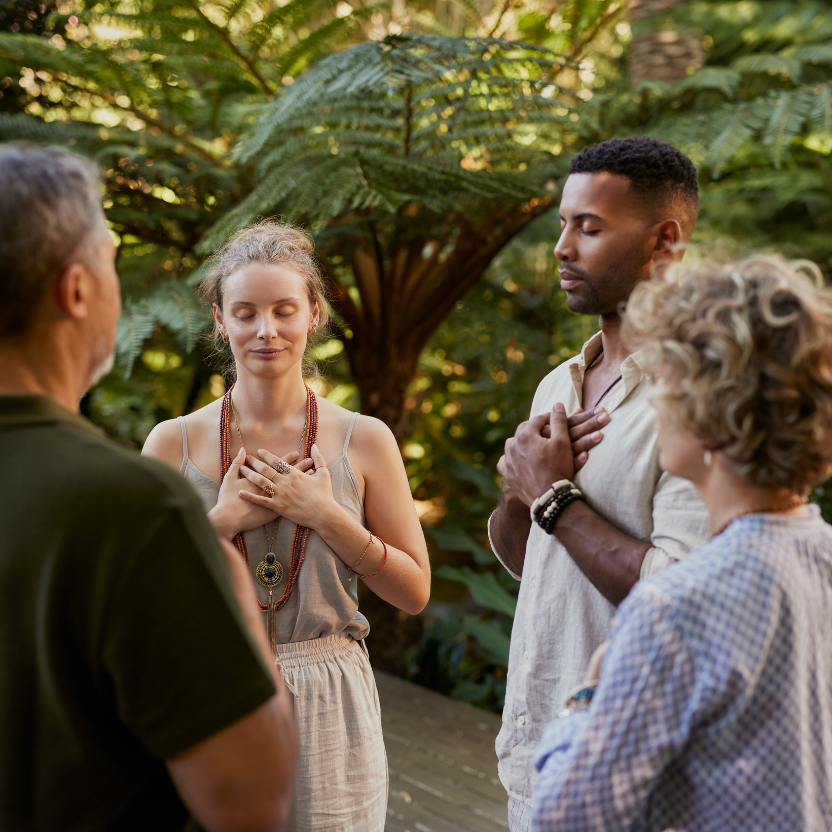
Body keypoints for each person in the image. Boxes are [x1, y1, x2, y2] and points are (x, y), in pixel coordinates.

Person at [0, 145, 297, 831]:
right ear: (75, 289)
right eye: (109, 257)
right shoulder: (134, 508)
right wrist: (228, 588)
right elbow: (251, 802)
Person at [143, 220, 431, 832]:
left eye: (284, 310)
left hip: (332, 693)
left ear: (314, 313)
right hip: (212, 687)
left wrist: (323, 514)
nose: (265, 330)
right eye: (245, 313)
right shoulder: (174, 443)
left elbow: (413, 590)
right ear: (220, 319)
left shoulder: (365, 440)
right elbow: (133, 593)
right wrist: (221, 521)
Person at [533, 254, 832, 832]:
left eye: (668, 381)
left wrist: (591, 692)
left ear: (709, 414)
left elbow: (562, 819)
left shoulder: (673, 608)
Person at [489, 136, 710, 829]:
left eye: (588, 227)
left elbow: (681, 598)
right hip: (534, 759)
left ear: (664, 241)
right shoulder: (560, 382)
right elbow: (538, 566)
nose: (561, 247)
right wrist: (517, 489)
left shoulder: (701, 393)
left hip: (633, 779)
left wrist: (554, 498)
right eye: (563, 223)